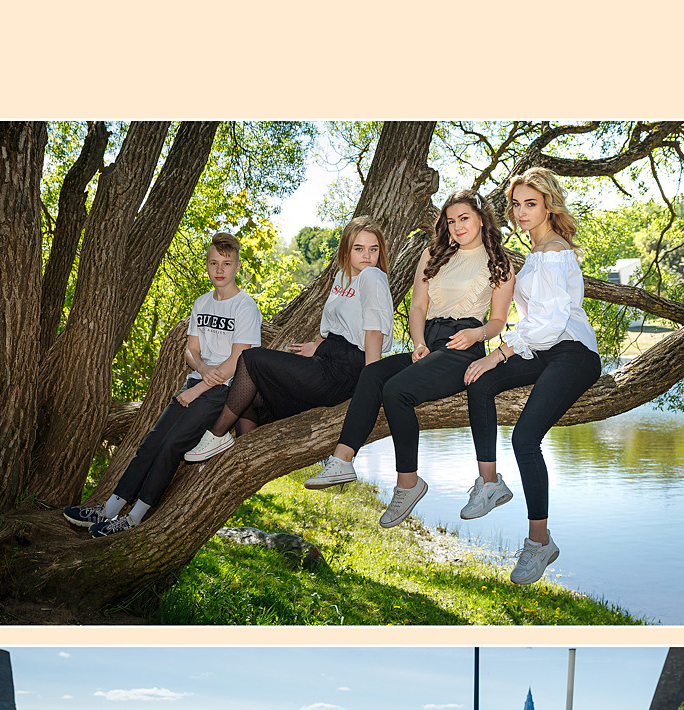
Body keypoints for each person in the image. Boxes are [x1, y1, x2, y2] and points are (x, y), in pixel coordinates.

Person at [303, 191, 517, 529]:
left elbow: (498, 321)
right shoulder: (433, 253)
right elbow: (418, 306)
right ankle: (342, 460)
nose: (457, 226)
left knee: (396, 390)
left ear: (480, 217)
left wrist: (477, 336)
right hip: (429, 344)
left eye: (464, 218)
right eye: (451, 221)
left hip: (464, 347)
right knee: (372, 374)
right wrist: (418, 342)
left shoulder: (498, 262)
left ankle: (408, 483)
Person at [455, 167, 606, 586]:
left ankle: (540, 541)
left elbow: (552, 321)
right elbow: (531, 322)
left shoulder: (555, 252)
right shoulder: (535, 254)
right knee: (480, 381)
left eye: (531, 204)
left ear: (548, 205)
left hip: (573, 353)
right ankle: (489, 483)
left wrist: (499, 352)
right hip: (542, 348)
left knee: (525, 437)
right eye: (516, 204)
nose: (521, 212)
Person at [62, 232, 264, 537]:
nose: (219, 269)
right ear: (207, 266)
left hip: (222, 392)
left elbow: (239, 360)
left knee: (172, 446)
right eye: (213, 263)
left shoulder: (246, 308)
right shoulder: (202, 302)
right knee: (151, 443)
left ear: (237, 266)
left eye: (226, 263)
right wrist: (200, 368)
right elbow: (190, 350)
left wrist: (199, 388)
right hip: (195, 381)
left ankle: (134, 518)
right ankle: (109, 510)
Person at [183, 219, 392, 463]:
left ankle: (217, 434)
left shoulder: (372, 276)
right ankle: (245, 453)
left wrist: (371, 381)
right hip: (326, 359)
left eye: (373, 249)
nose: (366, 255)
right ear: (346, 250)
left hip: (345, 370)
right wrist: (316, 345)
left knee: (250, 360)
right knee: (251, 386)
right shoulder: (343, 278)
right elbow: (332, 325)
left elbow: (374, 332)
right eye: (359, 248)